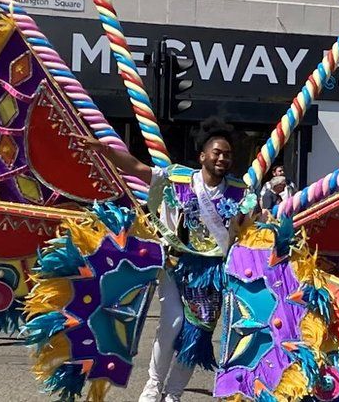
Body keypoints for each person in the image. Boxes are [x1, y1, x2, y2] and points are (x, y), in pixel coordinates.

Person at [80, 118, 246, 402]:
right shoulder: (179, 178)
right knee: (172, 322)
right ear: (202, 156)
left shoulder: (240, 191)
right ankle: (153, 386)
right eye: (217, 152)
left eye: (227, 154)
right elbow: (137, 167)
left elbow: (250, 230)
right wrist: (105, 150)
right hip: (175, 265)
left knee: (196, 335)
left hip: (212, 274)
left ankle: (173, 394)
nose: (222, 158)